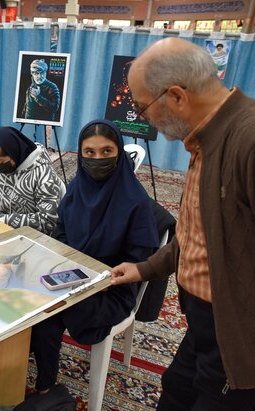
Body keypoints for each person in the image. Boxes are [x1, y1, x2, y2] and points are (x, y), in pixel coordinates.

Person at [111, 37, 255, 410]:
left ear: (177, 97)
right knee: (174, 397)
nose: (142, 117)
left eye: (142, 107)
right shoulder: (207, 139)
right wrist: (144, 269)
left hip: (249, 340)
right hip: (212, 326)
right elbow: (200, 236)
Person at [30, 119, 159, 393]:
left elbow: (138, 262)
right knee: (30, 299)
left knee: (49, 311)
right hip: (74, 275)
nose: (97, 159)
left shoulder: (136, 202)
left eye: (106, 152)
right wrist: (62, 265)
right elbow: (62, 233)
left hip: (112, 288)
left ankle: (44, 387)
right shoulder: (77, 188)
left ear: (118, 153)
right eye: (89, 152)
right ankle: (41, 383)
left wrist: (93, 277)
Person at [0, 127, 65, 235]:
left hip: (34, 235)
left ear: (13, 152)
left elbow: (48, 221)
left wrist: (5, 221)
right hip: (1, 227)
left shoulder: (43, 175)